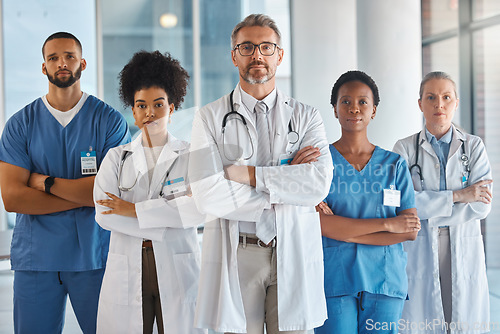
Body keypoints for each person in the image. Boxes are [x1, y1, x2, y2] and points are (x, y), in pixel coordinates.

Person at [188, 13, 333, 334]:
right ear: (233, 55)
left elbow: (317, 185)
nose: (257, 55)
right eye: (247, 47)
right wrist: (286, 178)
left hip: (291, 245)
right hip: (239, 251)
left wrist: (245, 175)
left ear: (280, 55)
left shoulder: (307, 117)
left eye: (267, 47)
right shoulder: (209, 118)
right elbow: (207, 195)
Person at [0, 32, 130, 334]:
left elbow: (110, 192)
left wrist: (44, 183)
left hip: (94, 257)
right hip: (37, 260)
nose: (62, 63)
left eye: (69, 56)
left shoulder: (108, 121)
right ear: (43, 67)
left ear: (81, 63)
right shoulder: (21, 124)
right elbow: (12, 198)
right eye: (53, 58)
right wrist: (84, 195)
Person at [93, 51, 206, 334]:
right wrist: (167, 217)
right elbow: (105, 214)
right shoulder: (117, 158)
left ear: (173, 107)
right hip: (130, 265)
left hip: (176, 264)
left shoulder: (191, 155)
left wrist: (132, 210)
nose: (149, 113)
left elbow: (196, 211)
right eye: (141, 105)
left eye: (158, 104)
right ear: (132, 110)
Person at [315, 70, 420, 334]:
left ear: (374, 110)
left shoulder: (394, 165)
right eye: (345, 101)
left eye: (363, 102)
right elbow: (321, 226)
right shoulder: (320, 164)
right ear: (335, 109)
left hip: (385, 283)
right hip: (335, 281)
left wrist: (343, 230)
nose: (354, 108)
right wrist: (388, 224)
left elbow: (409, 230)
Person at [393, 71, 492, 334]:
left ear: (456, 102)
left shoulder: (473, 147)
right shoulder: (404, 149)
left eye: (446, 97)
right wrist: (459, 196)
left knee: (461, 321)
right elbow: (400, 204)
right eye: (431, 97)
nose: (439, 104)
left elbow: (482, 206)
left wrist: (426, 209)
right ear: (420, 104)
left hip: (462, 242)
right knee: (424, 321)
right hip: (420, 243)